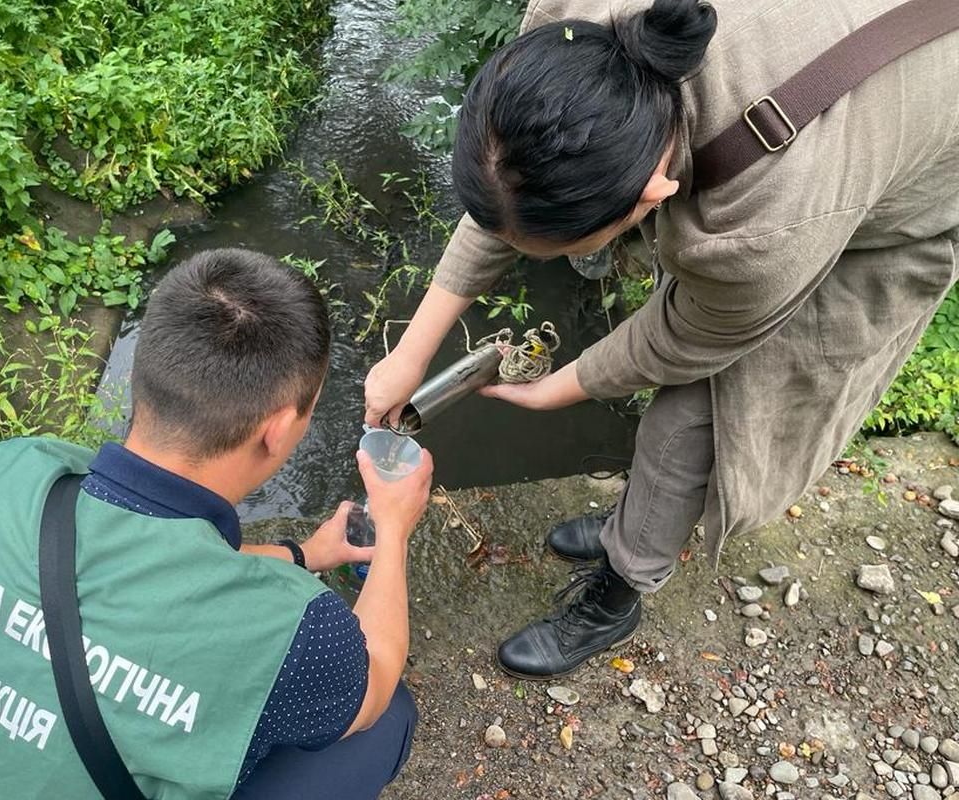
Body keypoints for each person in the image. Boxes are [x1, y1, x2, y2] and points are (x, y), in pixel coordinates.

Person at [365, 0, 959, 679]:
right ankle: (633, 522)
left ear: (650, 195)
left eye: (563, 250)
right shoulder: (575, 22)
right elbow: (513, 188)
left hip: (886, 209)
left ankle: (620, 591)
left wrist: (557, 388)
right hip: (821, 129)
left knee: (692, 422)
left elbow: (684, 338)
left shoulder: (760, 232)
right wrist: (408, 356)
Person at [0, 248, 434, 799]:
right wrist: (394, 526)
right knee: (383, 725)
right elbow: (377, 672)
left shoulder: (9, 471)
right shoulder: (294, 632)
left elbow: (135, 566)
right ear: (280, 428)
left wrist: (303, 554)